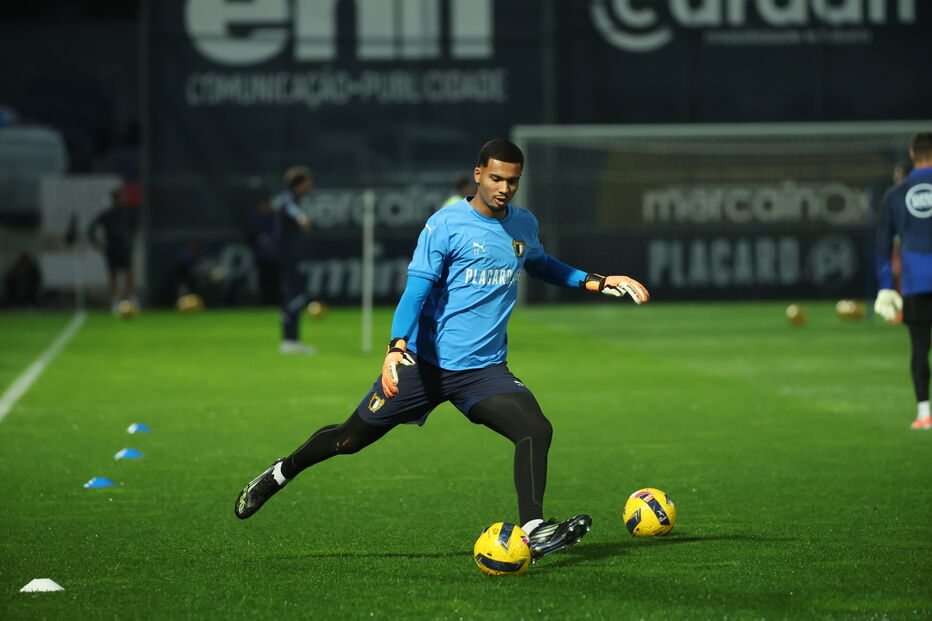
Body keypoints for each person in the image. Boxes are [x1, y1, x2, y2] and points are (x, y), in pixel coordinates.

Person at [234, 139, 650, 562]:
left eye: (512, 181)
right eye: (495, 178)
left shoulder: (523, 223)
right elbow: (415, 292)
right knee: (347, 440)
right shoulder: (445, 225)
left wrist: (596, 281)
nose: (504, 188)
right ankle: (281, 472)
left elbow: (540, 263)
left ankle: (533, 530)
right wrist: (395, 348)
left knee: (535, 429)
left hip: (484, 372)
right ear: (477, 175)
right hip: (424, 367)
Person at [875, 132, 932, 430]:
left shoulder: (896, 194)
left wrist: (885, 286)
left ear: (912, 154)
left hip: (916, 281)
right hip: (916, 279)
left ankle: (924, 414)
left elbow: (883, 245)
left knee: (920, 348)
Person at [273, 166, 314, 355]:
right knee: (295, 296)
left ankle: (291, 340)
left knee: (292, 296)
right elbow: (293, 211)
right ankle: (290, 340)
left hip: (288, 255)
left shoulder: (288, 199)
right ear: (299, 184)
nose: (310, 186)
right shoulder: (288, 199)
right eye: (307, 183)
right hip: (289, 256)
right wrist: (301, 217)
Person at [87, 185, 138, 313]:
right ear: (115, 199)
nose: (123, 200)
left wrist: (131, 241)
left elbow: (134, 227)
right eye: (121, 197)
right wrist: (98, 244)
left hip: (124, 248)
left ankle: (131, 299)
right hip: (112, 248)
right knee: (113, 274)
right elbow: (91, 228)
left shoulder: (127, 213)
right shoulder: (107, 214)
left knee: (129, 273)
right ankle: (115, 301)